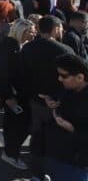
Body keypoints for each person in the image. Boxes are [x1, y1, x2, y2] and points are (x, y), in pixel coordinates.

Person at [19, 14, 73, 181]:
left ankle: (37, 173)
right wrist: (56, 98)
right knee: (58, 140)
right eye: (61, 29)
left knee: (37, 137)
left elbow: (21, 76)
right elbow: (71, 79)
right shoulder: (65, 51)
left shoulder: (27, 48)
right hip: (59, 103)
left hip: (35, 101)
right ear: (55, 28)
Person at [0, 18, 36, 170]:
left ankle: (9, 144)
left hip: (20, 93)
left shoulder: (22, 45)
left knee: (15, 124)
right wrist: (8, 97)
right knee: (19, 126)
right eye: (31, 31)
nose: (34, 33)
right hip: (13, 94)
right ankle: (11, 154)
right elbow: (1, 73)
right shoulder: (9, 45)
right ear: (22, 32)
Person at [41, 53, 88, 180]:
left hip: (77, 163)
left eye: (64, 76)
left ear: (80, 77)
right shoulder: (69, 88)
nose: (59, 79)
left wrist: (72, 129)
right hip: (58, 155)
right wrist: (53, 102)